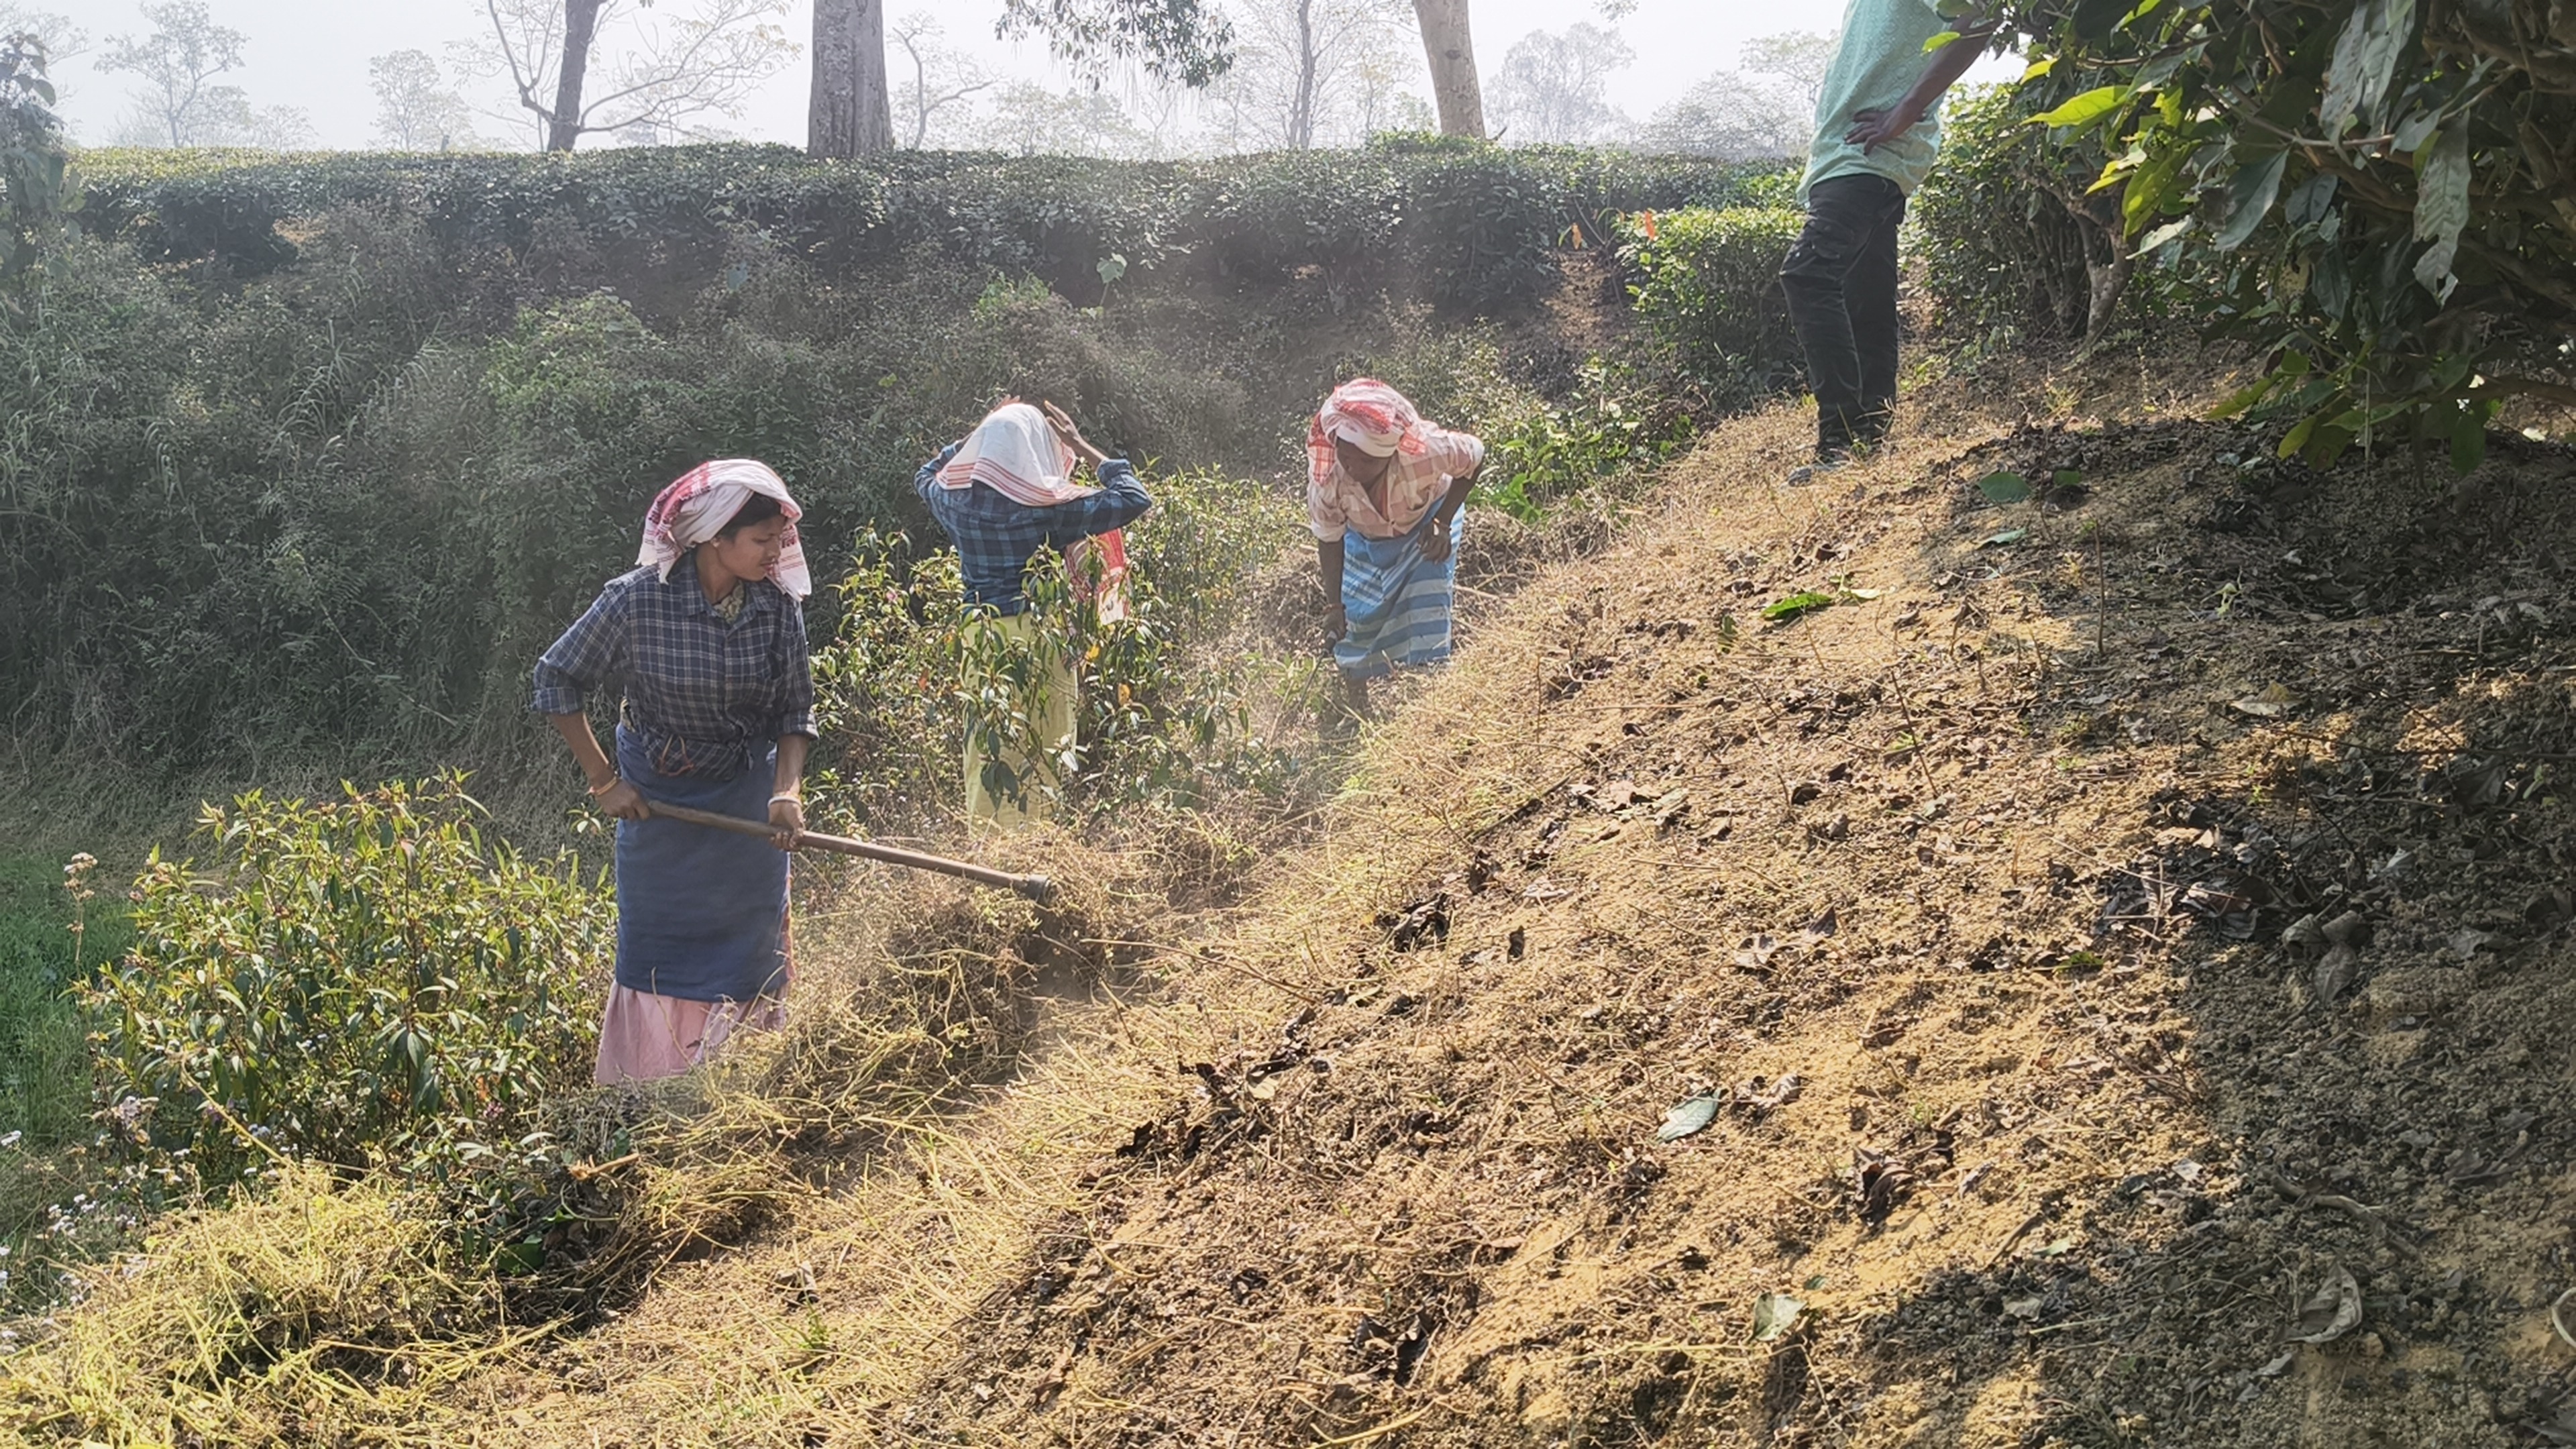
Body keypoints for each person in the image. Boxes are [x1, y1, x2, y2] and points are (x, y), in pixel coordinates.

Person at [534, 459, 817, 1086]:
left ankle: (741, 1089)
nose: (776, 552)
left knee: (748, 956)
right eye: (762, 540)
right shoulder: (637, 599)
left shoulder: (776, 607)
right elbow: (556, 679)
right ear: (716, 538)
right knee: (659, 954)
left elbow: (795, 708)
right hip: (657, 805)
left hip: (747, 805)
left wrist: (786, 792)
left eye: (779, 539)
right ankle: (651, 1096)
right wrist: (606, 782)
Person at [1780, 0, 1998, 479]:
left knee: (1807, 274)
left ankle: (1837, 445)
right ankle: (1867, 442)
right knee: (1866, 300)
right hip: (1849, 158)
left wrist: (1910, 107)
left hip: (1869, 157)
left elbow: (1982, 15)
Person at [916, 399, 1152, 827]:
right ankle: (1041, 841)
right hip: (1045, 636)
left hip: (982, 638)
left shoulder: (954, 504)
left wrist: (976, 435)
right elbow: (1134, 498)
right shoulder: (1051, 510)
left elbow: (924, 474)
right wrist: (1079, 444)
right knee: (1049, 742)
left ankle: (990, 845)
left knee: (989, 746)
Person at [1307, 379, 1485, 720]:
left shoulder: (1425, 452)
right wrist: (1334, 605)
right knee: (1357, 613)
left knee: (1427, 596)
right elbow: (1329, 540)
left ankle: (1432, 701)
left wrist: (1443, 523)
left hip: (1428, 524)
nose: (1354, 469)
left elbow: (1475, 457)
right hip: (1365, 537)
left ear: (1389, 453)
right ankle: (1356, 699)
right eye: (1347, 457)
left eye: (1366, 461)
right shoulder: (1329, 477)